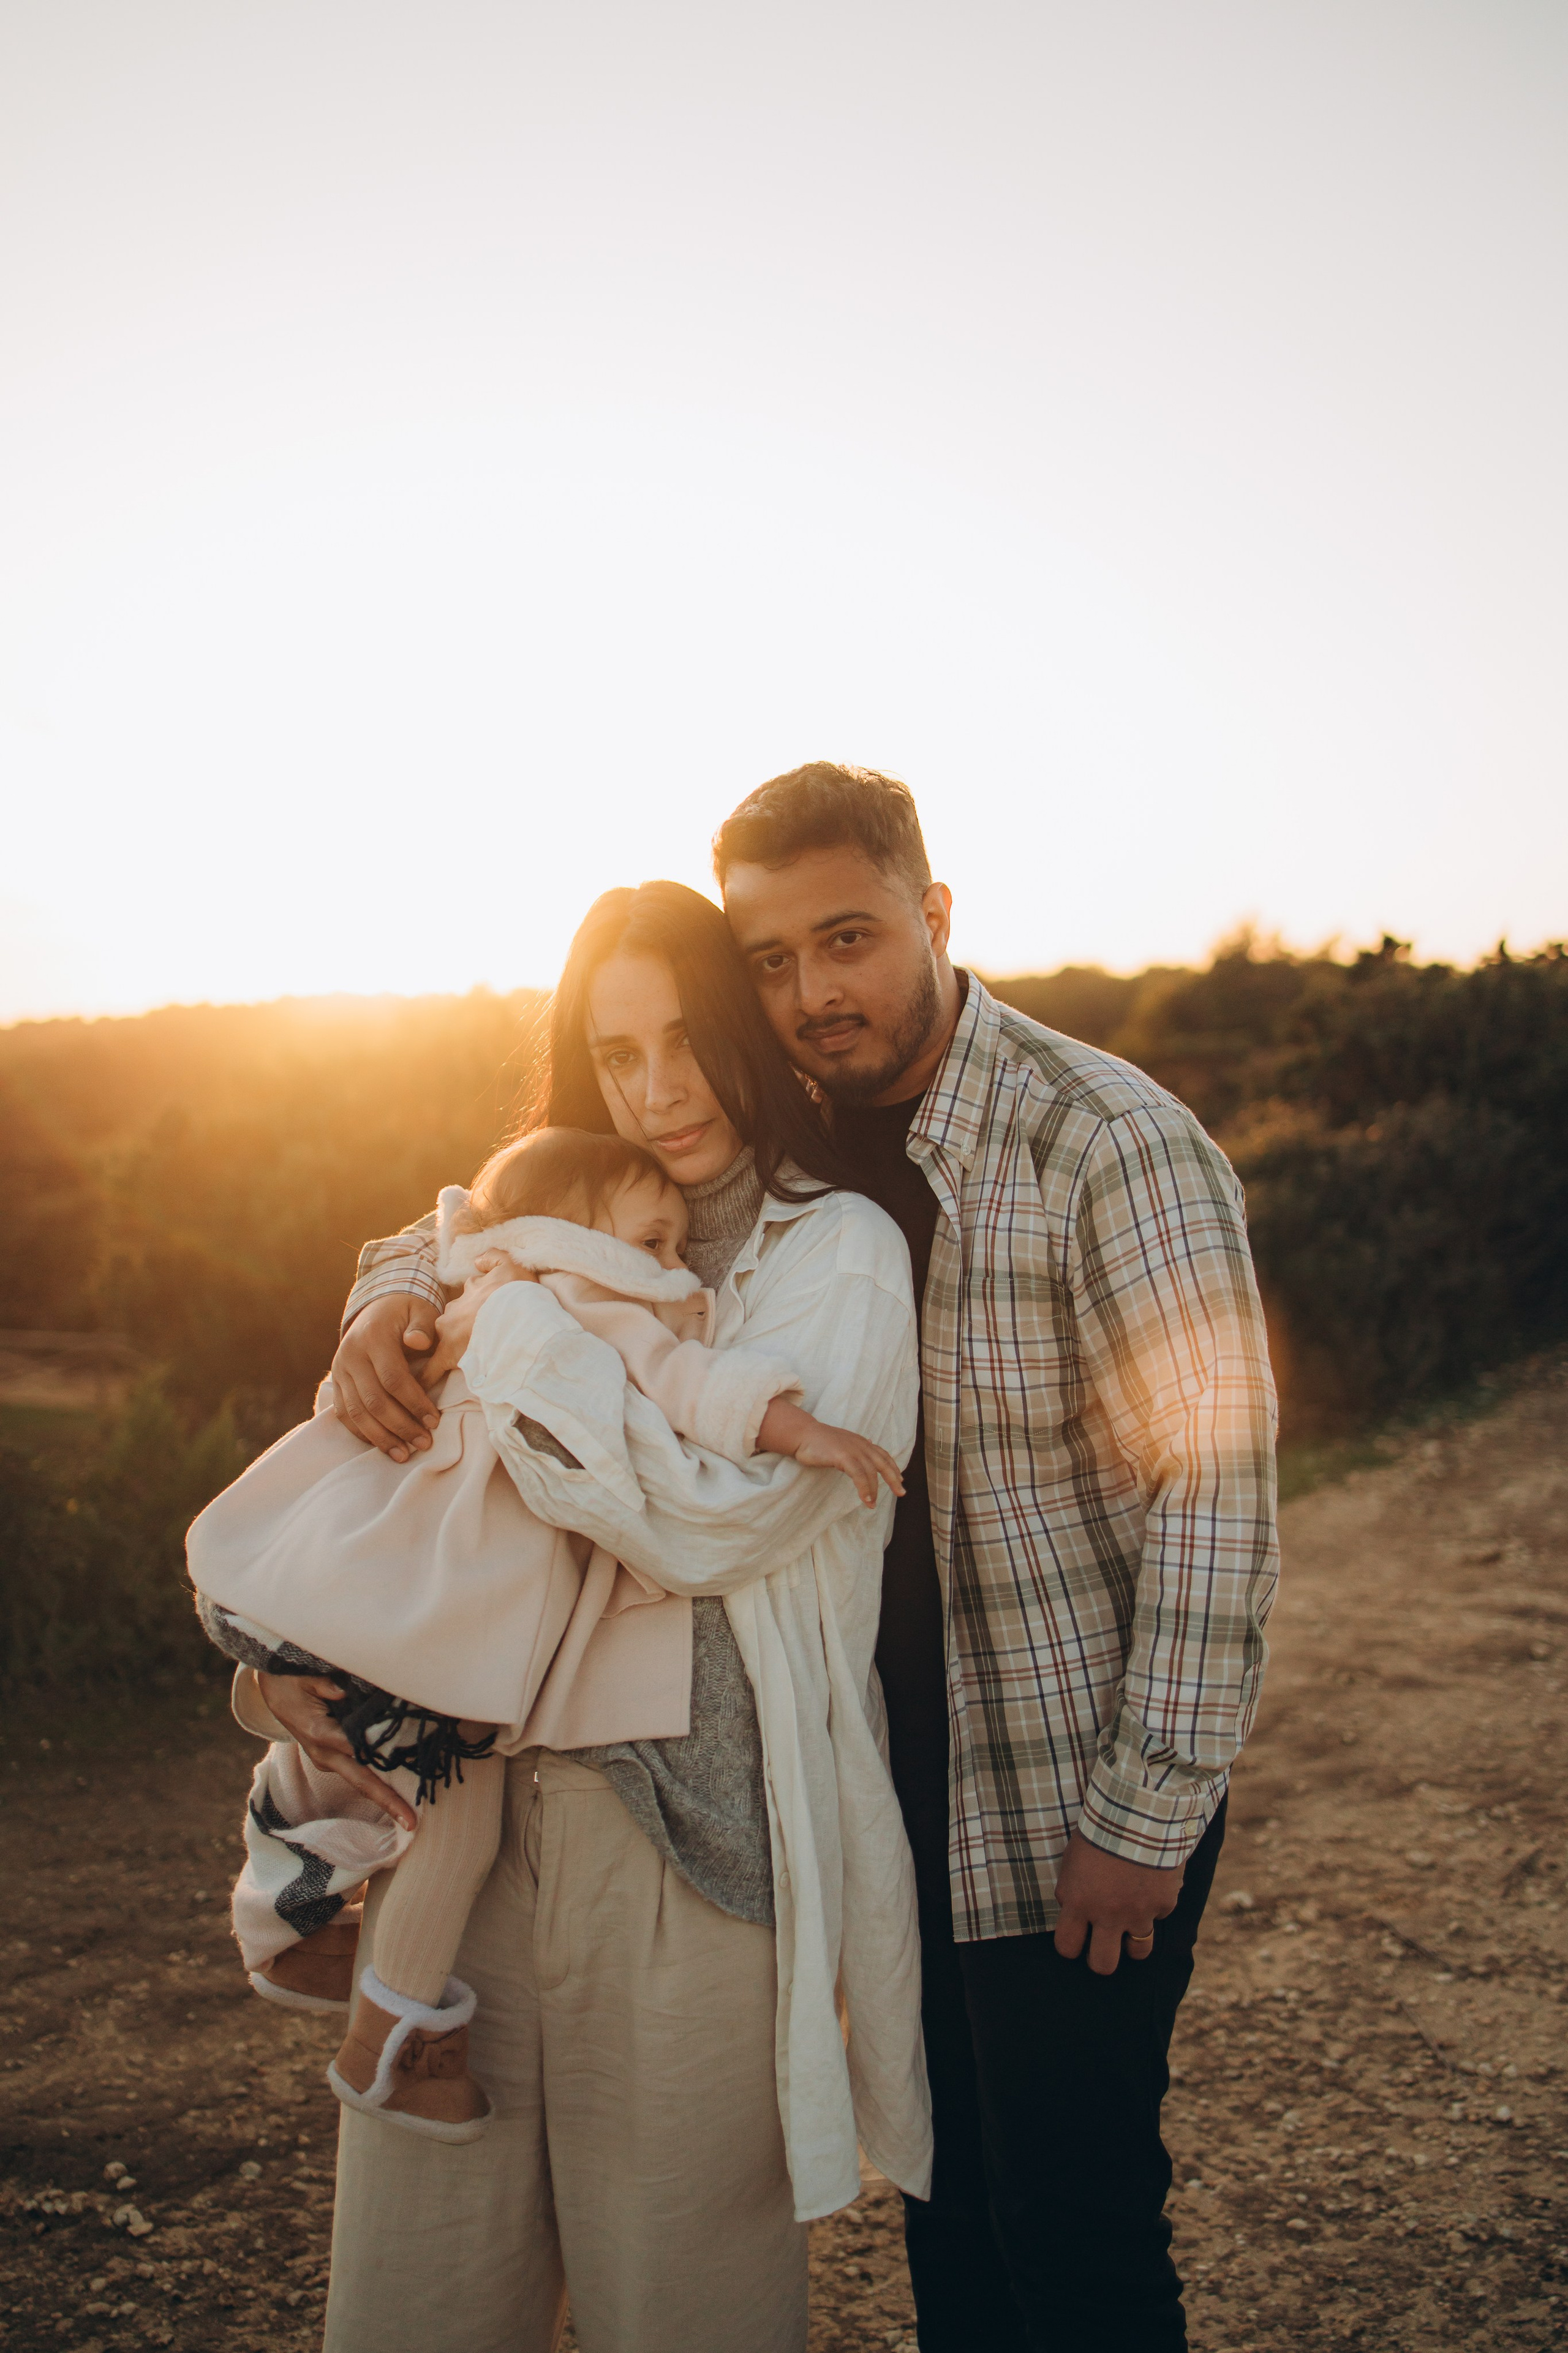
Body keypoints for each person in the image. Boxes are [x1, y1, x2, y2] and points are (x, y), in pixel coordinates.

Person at [252, 880, 932, 2353]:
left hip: (688, 1855)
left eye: (686, 1039)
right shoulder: (551, 1209)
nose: (658, 1089)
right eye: (616, 1053)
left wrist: (485, 1332)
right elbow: (432, 1270)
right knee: (412, 2306)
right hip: (474, 1835)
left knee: (681, 2310)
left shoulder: (837, 1255)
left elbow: (705, 1515)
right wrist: (394, 1299)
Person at [709, 763, 1280, 2353]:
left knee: (1074, 2220)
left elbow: (1217, 1501)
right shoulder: (785, 1151)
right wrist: (395, 1303)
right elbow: (559, 1198)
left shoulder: (1107, 1142)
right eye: (773, 962)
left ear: (933, 915)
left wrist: (1146, 1812)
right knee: (946, 2212)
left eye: (848, 939)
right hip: (886, 1793)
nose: (816, 994)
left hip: (1063, 1788)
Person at [189, 1124, 901, 2143]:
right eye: (651, 1240)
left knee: (355, 1739)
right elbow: (693, 1388)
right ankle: (391, 2037)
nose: (670, 1264)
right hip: (460, 1589)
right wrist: (802, 1428)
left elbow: (433, 1239)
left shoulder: (475, 1281)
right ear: (574, 1236)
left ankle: (286, 1924)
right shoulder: (590, 1300)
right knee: (449, 1810)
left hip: (399, 1562)